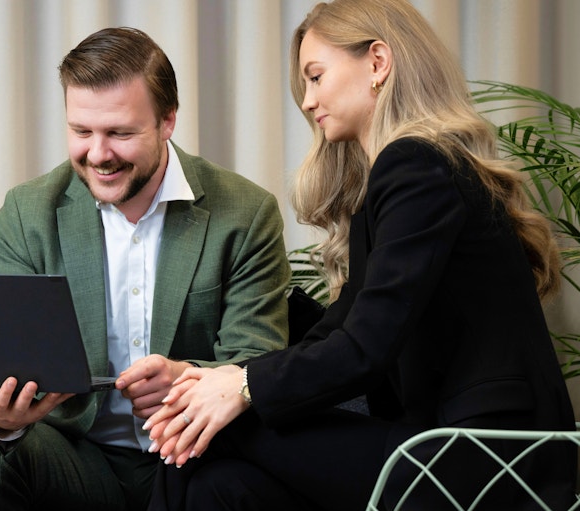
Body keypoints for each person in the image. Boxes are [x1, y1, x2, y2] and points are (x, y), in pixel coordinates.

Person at [144, 0, 577, 509]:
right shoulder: (406, 177)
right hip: (439, 446)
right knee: (220, 485)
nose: (308, 101)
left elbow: (365, 348)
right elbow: (339, 330)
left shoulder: (416, 165)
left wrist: (241, 387)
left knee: (198, 429)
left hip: (487, 456)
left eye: (316, 77)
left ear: (377, 62)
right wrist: (219, 380)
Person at [0, 27, 291, 511]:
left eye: (120, 133)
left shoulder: (246, 212)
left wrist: (187, 377)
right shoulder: (27, 212)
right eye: (81, 131)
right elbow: (6, 356)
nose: (98, 154)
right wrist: (6, 422)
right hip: (74, 451)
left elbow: (257, 358)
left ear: (167, 121)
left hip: (198, 459)